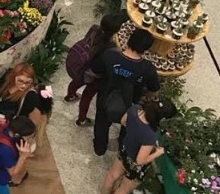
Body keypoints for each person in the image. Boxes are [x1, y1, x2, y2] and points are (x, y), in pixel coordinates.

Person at [89, 28, 160, 157]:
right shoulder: (147, 68)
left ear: (129, 39)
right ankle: (122, 147)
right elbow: (153, 90)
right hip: (131, 105)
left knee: (101, 123)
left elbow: (94, 71)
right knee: (128, 127)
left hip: (105, 97)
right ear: (146, 49)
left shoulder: (109, 55)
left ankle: (99, 148)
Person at [65, 12, 127, 126]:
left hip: (81, 66)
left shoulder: (94, 29)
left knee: (76, 82)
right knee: (87, 95)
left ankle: (70, 96)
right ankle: (82, 119)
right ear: (115, 31)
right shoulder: (110, 46)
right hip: (93, 74)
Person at [102, 100, 177, 194]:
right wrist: (159, 152)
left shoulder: (135, 109)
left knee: (112, 176)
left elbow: (123, 121)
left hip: (125, 149)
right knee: (123, 190)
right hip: (134, 165)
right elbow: (140, 160)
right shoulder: (149, 135)